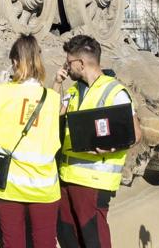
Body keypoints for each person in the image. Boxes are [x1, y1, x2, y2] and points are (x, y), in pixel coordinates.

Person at [0, 35, 62, 248]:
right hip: (44, 186)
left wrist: (1, 85)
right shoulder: (51, 98)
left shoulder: (2, 92)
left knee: (13, 243)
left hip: (9, 184)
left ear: (15, 62)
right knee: (45, 243)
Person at [55, 35, 142, 248]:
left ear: (81, 63)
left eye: (69, 62)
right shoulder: (74, 90)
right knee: (68, 237)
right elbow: (54, 114)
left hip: (94, 180)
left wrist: (114, 145)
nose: (67, 66)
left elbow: (136, 134)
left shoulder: (115, 91)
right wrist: (57, 84)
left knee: (93, 239)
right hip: (67, 177)